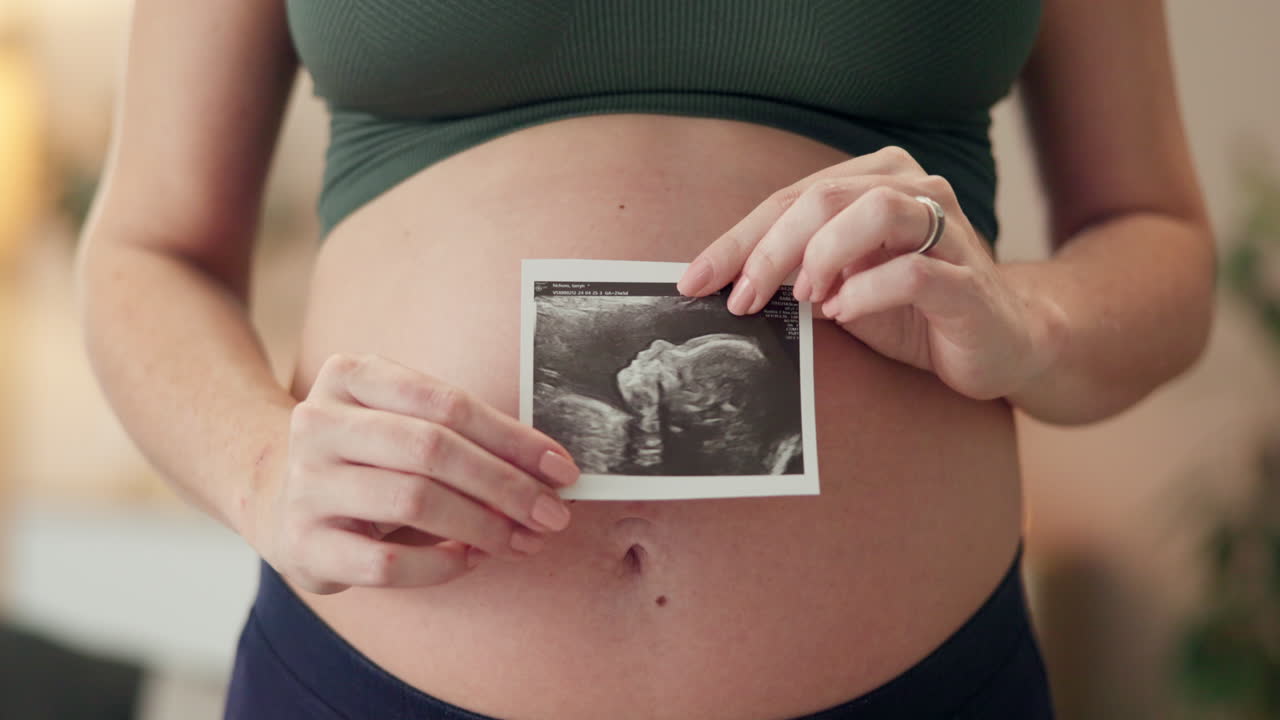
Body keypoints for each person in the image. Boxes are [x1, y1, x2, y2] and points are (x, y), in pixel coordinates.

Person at [76, 0, 1214, 718]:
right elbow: (148, 247)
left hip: (916, 684)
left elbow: (1158, 246)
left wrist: (1026, 322)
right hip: (373, 681)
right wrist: (259, 465)